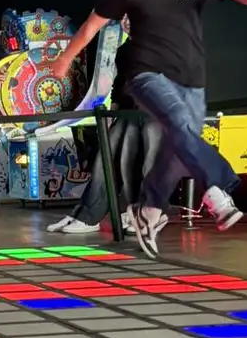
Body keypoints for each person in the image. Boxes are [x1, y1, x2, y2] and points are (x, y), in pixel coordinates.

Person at [51, 0, 247, 258]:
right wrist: (64, 59)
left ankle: (149, 210)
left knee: (179, 149)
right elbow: (91, 26)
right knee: (180, 127)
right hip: (146, 74)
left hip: (192, 79)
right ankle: (218, 188)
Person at [48, 42, 169, 235]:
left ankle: (147, 215)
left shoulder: (166, 42)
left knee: (147, 165)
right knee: (105, 161)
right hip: (128, 112)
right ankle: (87, 215)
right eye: (123, 17)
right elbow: (119, 85)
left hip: (156, 112)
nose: (126, 21)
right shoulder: (124, 49)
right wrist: (112, 115)